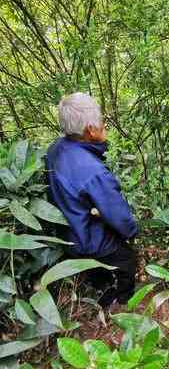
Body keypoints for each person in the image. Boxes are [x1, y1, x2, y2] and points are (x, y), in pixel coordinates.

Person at [46, 92, 138, 308]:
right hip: (88, 237)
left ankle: (101, 289)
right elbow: (118, 216)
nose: (104, 126)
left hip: (67, 232)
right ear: (90, 130)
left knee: (94, 269)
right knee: (126, 261)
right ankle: (122, 301)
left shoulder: (55, 149)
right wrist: (132, 232)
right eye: (102, 123)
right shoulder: (93, 172)